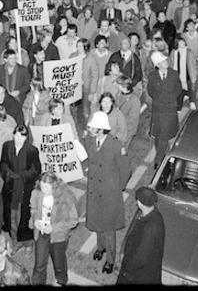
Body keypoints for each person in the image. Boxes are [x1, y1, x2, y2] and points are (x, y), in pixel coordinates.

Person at [83, 111, 131, 274]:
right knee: (98, 222)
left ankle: (110, 260)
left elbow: (125, 169)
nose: (89, 129)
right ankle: (100, 247)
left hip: (110, 192)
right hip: (95, 189)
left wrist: (117, 187)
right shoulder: (90, 141)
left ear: (101, 129)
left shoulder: (116, 146)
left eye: (92, 127)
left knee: (109, 228)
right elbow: (88, 158)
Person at [29, 171, 79, 286]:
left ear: (54, 186)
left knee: (59, 262)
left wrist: (53, 228)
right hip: (41, 233)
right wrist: (35, 220)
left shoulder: (65, 197)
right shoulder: (36, 193)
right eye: (41, 186)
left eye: (46, 187)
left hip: (58, 237)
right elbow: (34, 209)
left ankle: (61, 280)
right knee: (39, 264)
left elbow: (73, 220)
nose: (43, 190)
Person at [0, 124, 41, 249]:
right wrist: (8, 173)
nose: (18, 138)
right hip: (10, 186)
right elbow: (3, 162)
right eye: (16, 135)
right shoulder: (7, 146)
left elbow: (36, 169)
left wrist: (22, 175)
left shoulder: (32, 150)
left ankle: (26, 240)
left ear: (26, 138)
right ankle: (13, 238)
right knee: (10, 214)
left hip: (25, 187)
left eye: (21, 136)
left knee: (24, 214)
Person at [116, 187, 165, 284]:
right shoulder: (151, 214)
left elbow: (141, 257)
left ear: (141, 203)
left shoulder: (150, 229)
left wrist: (126, 265)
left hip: (136, 275)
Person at [146, 51, 184, 170]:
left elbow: (178, 89)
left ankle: (159, 160)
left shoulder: (174, 74)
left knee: (163, 136)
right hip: (158, 109)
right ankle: (163, 155)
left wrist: (171, 99)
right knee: (158, 136)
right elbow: (150, 91)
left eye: (165, 60)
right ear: (157, 65)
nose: (165, 62)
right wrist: (158, 99)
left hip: (169, 109)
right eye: (162, 61)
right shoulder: (152, 76)